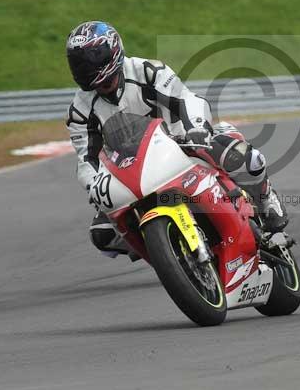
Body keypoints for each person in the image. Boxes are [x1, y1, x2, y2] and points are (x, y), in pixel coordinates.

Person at [64, 21, 288, 259]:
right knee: (103, 234)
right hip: (133, 170)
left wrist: (197, 129)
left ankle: (266, 201)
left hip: (182, 143)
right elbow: (86, 158)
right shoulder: (79, 110)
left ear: (112, 51)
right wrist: (94, 185)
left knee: (246, 158)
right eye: (77, 62)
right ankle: (169, 254)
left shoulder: (148, 71)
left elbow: (186, 100)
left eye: (90, 58)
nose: (84, 67)